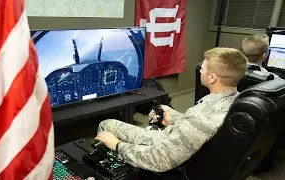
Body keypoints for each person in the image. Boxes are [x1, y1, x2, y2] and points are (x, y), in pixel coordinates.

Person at [94, 47, 248, 172]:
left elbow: (159, 160)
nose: (200, 70)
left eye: (203, 68)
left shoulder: (200, 117)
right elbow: (198, 126)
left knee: (106, 125)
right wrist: (173, 117)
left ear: (213, 78)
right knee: (162, 109)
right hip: (182, 141)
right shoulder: (237, 98)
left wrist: (117, 145)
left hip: (164, 149)